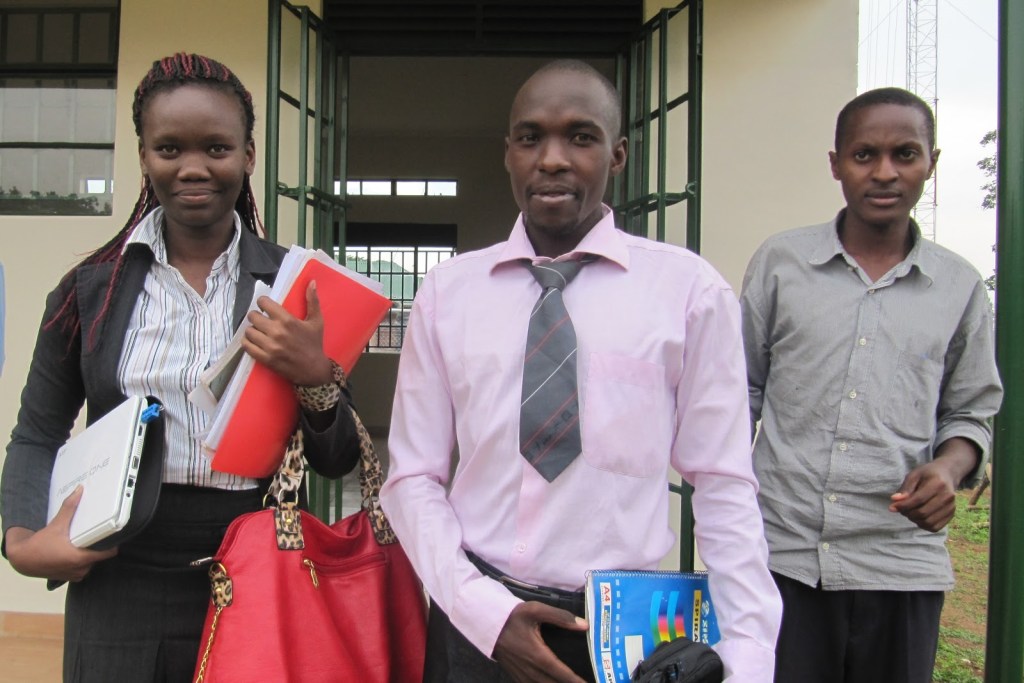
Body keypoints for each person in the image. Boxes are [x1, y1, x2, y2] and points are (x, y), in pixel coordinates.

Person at [380, 59, 781, 683]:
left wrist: (749, 654)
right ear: (508, 154)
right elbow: (412, 478)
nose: (553, 159)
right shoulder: (447, 294)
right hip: (478, 623)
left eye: (581, 137)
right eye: (531, 138)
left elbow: (723, 483)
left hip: (624, 637)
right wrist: (482, 611)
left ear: (617, 155)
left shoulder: (688, 294)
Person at [0, 53, 363, 682]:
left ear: (248, 156)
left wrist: (315, 376)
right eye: (169, 148)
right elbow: (37, 433)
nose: (193, 168)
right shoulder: (90, 291)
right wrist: (23, 538)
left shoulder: (296, 288)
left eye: (217, 148)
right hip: (117, 566)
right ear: (144, 156)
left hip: (255, 562)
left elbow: (338, 461)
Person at [740, 87, 1003, 683]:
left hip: (901, 562)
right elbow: (738, 394)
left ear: (932, 163)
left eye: (905, 154)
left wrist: (948, 469)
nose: (885, 173)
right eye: (864, 155)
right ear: (836, 163)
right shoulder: (781, 264)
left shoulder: (958, 286)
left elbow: (969, 412)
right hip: (783, 557)